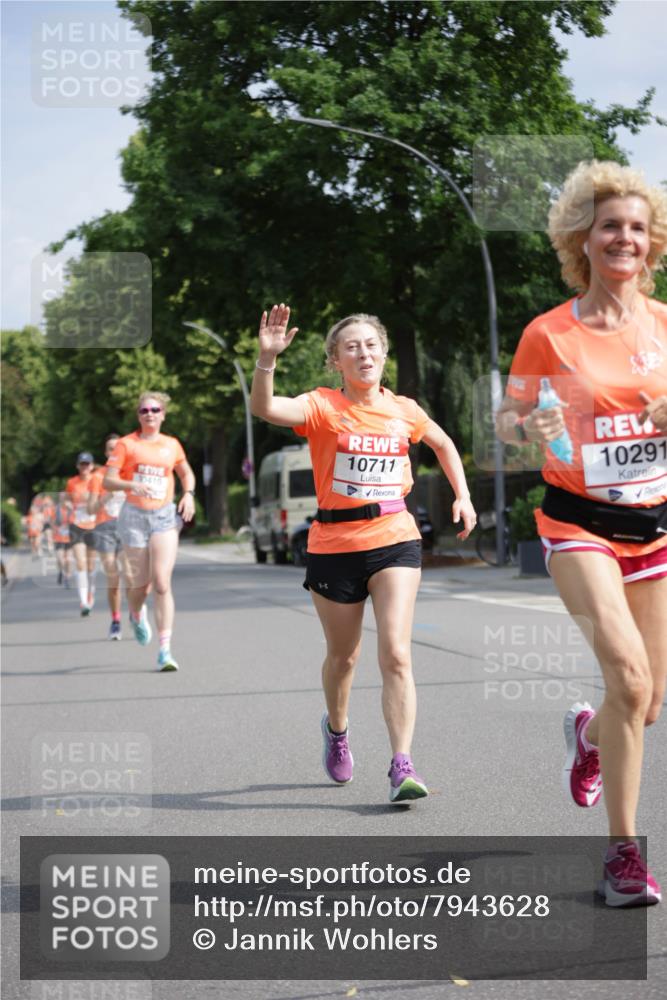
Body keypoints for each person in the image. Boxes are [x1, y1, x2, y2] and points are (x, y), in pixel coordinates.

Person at [496, 160, 667, 906]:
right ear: (582, 239)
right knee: (627, 681)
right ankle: (621, 857)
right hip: (577, 525)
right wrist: (527, 423)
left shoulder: (664, 327)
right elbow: (506, 421)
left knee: (645, 701)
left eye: (636, 227)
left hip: (653, 526)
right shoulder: (550, 334)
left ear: (651, 244)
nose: (622, 238)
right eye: (608, 226)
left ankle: (588, 736)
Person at [251, 304, 476, 803]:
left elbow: (443, 443)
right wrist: (266, 360)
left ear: (384, 354)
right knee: (344, 657)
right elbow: (265, 409)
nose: (363, 353)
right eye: (351, 346)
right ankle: (337, 728)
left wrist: (462, 495)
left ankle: (402, 763)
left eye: (371, 344)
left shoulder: (405, 410)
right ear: (336, 360)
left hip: (395, 536)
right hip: (334, 545)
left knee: (396, 653)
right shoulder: (321, 405)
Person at [103, 392, 196, 671]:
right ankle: (135, 613)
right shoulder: (126, 444)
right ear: (138, 416)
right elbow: (109, 481)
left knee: (162, 583)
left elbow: (185, 473)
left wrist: (188, 493)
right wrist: (131, 486)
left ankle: (165, 650)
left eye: (155, 410)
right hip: (133, 517)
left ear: (163, 414)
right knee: (139, 586)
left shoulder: (172, 445)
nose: (150, 414)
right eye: (144, 411)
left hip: (164, 516)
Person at [88, 434, 127, 640]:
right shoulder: (97, 477)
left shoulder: (130, 472)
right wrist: (107, 496)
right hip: (105, 527)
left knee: (132, 576)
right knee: (113, 579)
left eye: (117, 448)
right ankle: (116, 620)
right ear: (105, 453)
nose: (114, 452)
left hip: (130, 527)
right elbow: (90, 507)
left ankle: (137, 613)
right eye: (110, 449)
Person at [65, 453, 98, 615]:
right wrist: (69, 505)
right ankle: (83, 601)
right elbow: (66, 499)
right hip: (76, 524)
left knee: (91, 565)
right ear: (78, 466)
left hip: (93, 524)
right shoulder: (72, 483)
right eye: (82, 464)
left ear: (92, 466)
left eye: (87, 464)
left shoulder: (97, 480)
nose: (84, 467)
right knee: (80, 563)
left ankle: (91, 592)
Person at [52, 493, 73, 588]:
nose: (63, 500)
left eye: (65, 498)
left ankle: (67, 578)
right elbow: (51, 522)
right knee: (60, 559)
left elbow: (78, 520)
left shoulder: (72, 508)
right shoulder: (56, 509)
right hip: (59, 537)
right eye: (61, 498)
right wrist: (55, 529)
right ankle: (61, 571)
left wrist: (72, 509)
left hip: (70, 537)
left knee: (68, 560)